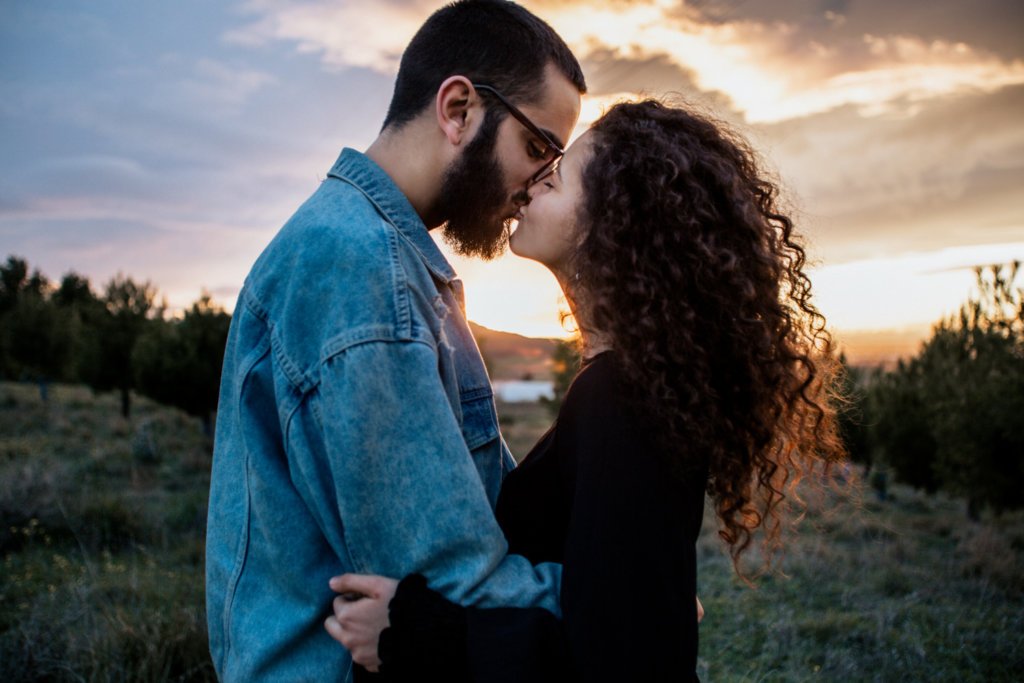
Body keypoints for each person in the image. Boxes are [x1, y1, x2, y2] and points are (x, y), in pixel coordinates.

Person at [325, 99, 846, 681]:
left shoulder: (624, 399)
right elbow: (629, 611)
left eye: (559, 174)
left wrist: (416, 636)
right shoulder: (634, 388)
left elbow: (624, 661)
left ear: (615, 220)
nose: (533, 182)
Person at [204, 2, 586, 680]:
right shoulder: (361, 269)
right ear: (459, 108)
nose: (539, 185)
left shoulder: (383, 257)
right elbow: (445, 583)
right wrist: (629, 605)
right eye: (537, 148)